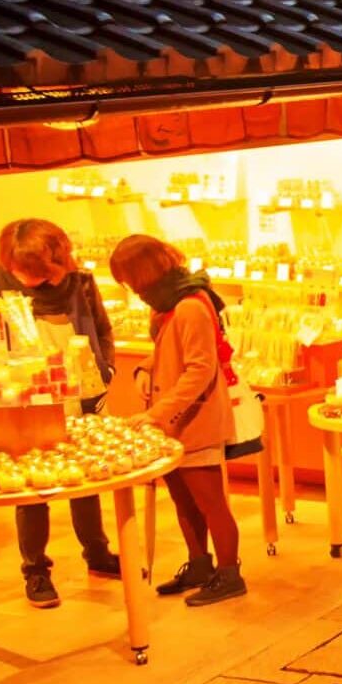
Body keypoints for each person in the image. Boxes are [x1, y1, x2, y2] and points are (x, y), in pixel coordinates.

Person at [0, 220, 119, 608]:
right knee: (32, 488)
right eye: (26, 271)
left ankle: (98, 553)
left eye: (41, 271)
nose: (34, 280)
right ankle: (36, 569)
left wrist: (105, 370)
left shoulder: (80, 285)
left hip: (82, 397)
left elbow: (102, 331)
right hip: (24, 403)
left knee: (85, 476)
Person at [108, 235, 245, 607]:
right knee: (183, 499)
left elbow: (200, 368)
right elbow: (169, 352)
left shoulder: (189, 305)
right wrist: (144, 368)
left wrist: (156, 413)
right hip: (173, 420)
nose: (131, 289)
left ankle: (230, 574)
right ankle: (200, 564)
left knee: (209, 500)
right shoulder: (169, 303)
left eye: (129, 278)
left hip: (193, 419)